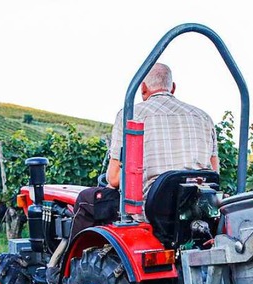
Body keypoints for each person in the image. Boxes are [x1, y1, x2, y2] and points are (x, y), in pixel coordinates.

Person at [69, 63, 218, 237]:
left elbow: (114, 178)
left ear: (143, 88)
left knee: (86, 200)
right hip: (197, 210)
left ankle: (68, 261)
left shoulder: (132, 114)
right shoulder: (203, 117)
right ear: (173, 88)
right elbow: (214, 173)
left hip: (150, 212)